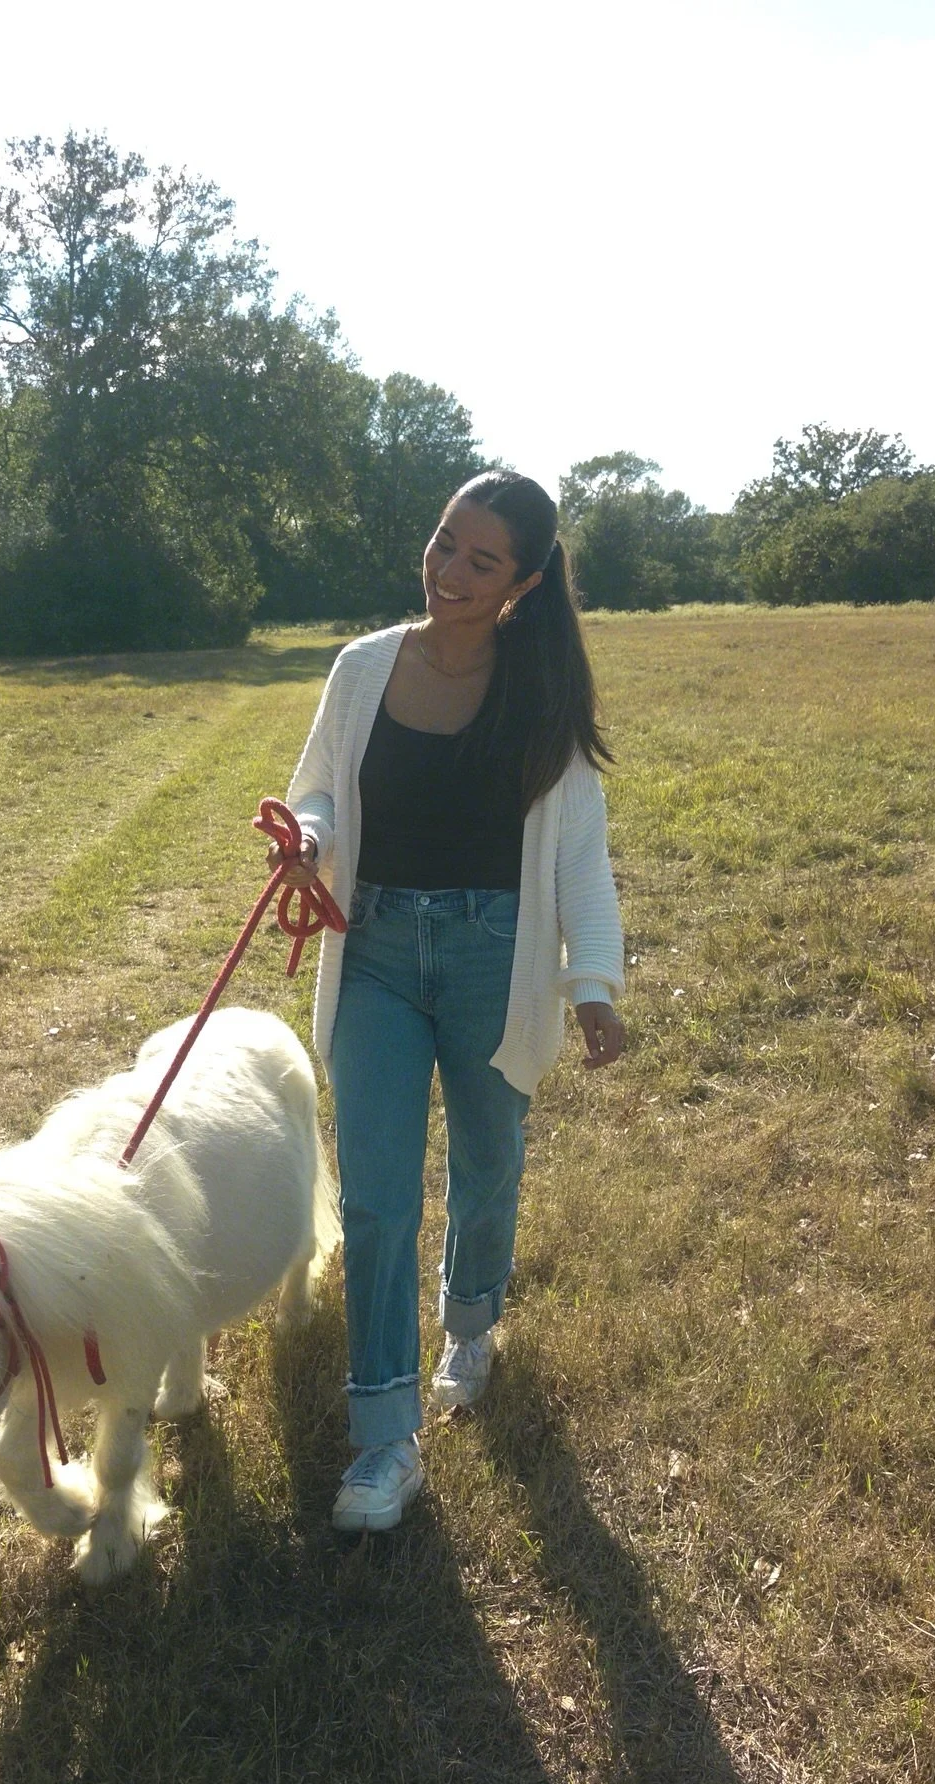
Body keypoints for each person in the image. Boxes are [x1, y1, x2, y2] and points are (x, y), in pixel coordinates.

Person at [277, 468, 625, 1532]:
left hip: (493, 953)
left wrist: (592, 985)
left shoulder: (541, 689)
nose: (451, 572)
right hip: (375, 945)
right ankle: (384, 1440)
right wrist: (311, 839)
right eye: (443, 543)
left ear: (521, 582)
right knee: (376, 1195)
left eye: (482, 560)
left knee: (487, 1158)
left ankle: (470, 1320)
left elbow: (577, 852)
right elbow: (321, 785)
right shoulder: (364, 667)